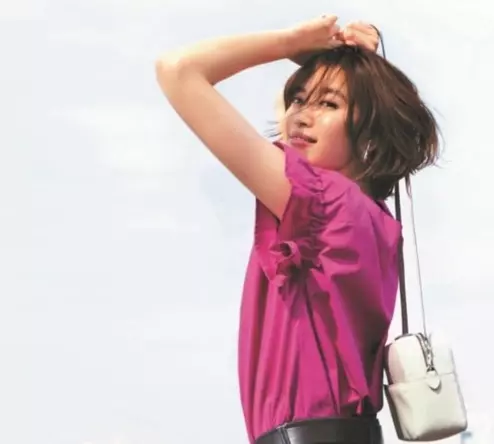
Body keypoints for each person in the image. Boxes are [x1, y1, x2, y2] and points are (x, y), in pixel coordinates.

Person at [156, 15, 439, 444]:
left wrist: (291, 43)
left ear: (372, 136)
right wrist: (335, 62)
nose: (301, 117)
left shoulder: (325, 203)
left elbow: (178, 70)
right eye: (299, 101)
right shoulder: (367, 218)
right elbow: (294, 123)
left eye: (329, 105)